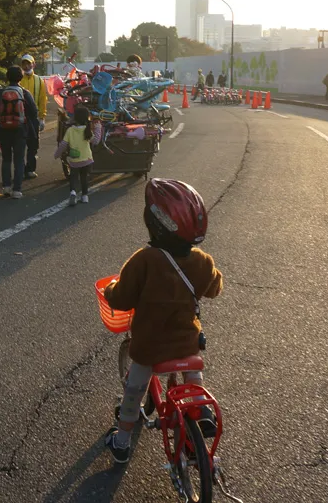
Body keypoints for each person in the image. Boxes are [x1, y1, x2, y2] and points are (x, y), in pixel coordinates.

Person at [103, 179, 224, 464]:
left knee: (135, 385)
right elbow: (215, 288)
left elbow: (120, 298)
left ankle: (122, 440)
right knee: (191, 372)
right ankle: (199, 412)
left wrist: (110, 289)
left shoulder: (144, 261)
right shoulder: (202, 262)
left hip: (150, 346)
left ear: (155, 223)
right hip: (186, 343)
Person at [0, 66, 39, 199]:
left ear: (7, 77)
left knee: (6, 159)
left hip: (3, 130)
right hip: (20, 130)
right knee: (18, 159)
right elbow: (34, 112)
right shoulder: (24, 93)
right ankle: (17, 190)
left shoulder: (0, 92)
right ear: (21, 78)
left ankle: (6, 187)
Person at [54, 106, 94, 206]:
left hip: (74, 160)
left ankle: (73, 192)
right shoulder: (87, 130)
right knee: (84, 177)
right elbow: (96, 140)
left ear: (74, 118)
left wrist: (57, 154)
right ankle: (85, 196)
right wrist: (98, 129)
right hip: (87, 159)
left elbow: (63, 144)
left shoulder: (70, 130)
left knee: (73, 177)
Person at [18, 54, 49, 179]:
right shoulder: (19, 79)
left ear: (33, 64)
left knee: (33, 145)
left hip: (33, 118)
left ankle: (30, 169)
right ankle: (20, 169)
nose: (26, 66)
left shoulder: (39, 80)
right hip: (20, 116)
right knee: (19, 145)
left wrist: (42, 117)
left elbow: (43, 100)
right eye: (24, 64)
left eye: (28, 63)